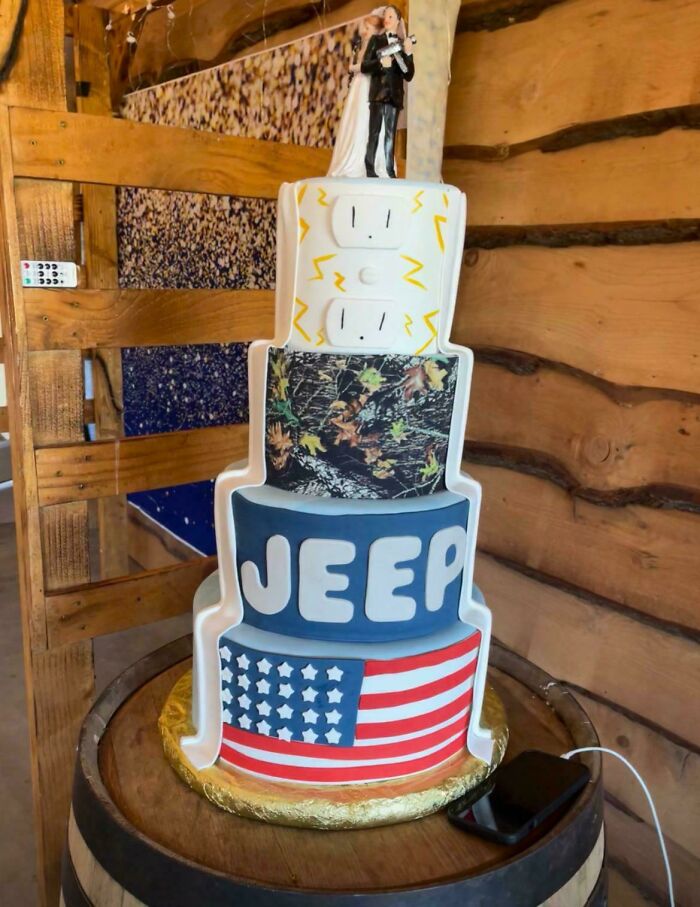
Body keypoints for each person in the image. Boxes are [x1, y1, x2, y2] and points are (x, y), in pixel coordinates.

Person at [327, 15, 388, 179]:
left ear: (376, 31)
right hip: (358, 86)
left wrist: (357, 67)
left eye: (368, 28)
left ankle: (365, 162)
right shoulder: (362, 46)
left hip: (367, 86)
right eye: (364, 27)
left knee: (364, 117)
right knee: (353, 119)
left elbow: (375, 66)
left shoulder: (378, 47)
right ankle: (350, 156)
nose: (364, 31)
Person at [361, 4, 414, 178]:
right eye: (385, 16)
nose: (387, 19)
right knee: (374, 132)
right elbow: (364, 66)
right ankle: (370, 168)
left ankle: (390, 171)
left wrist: (409, 54)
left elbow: (408, 74)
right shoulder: (376, 41)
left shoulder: (402, 44)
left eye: (391, 16)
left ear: (398, 21)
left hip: (394, 96)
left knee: (391, 135)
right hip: (378, 95)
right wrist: (379, 64)